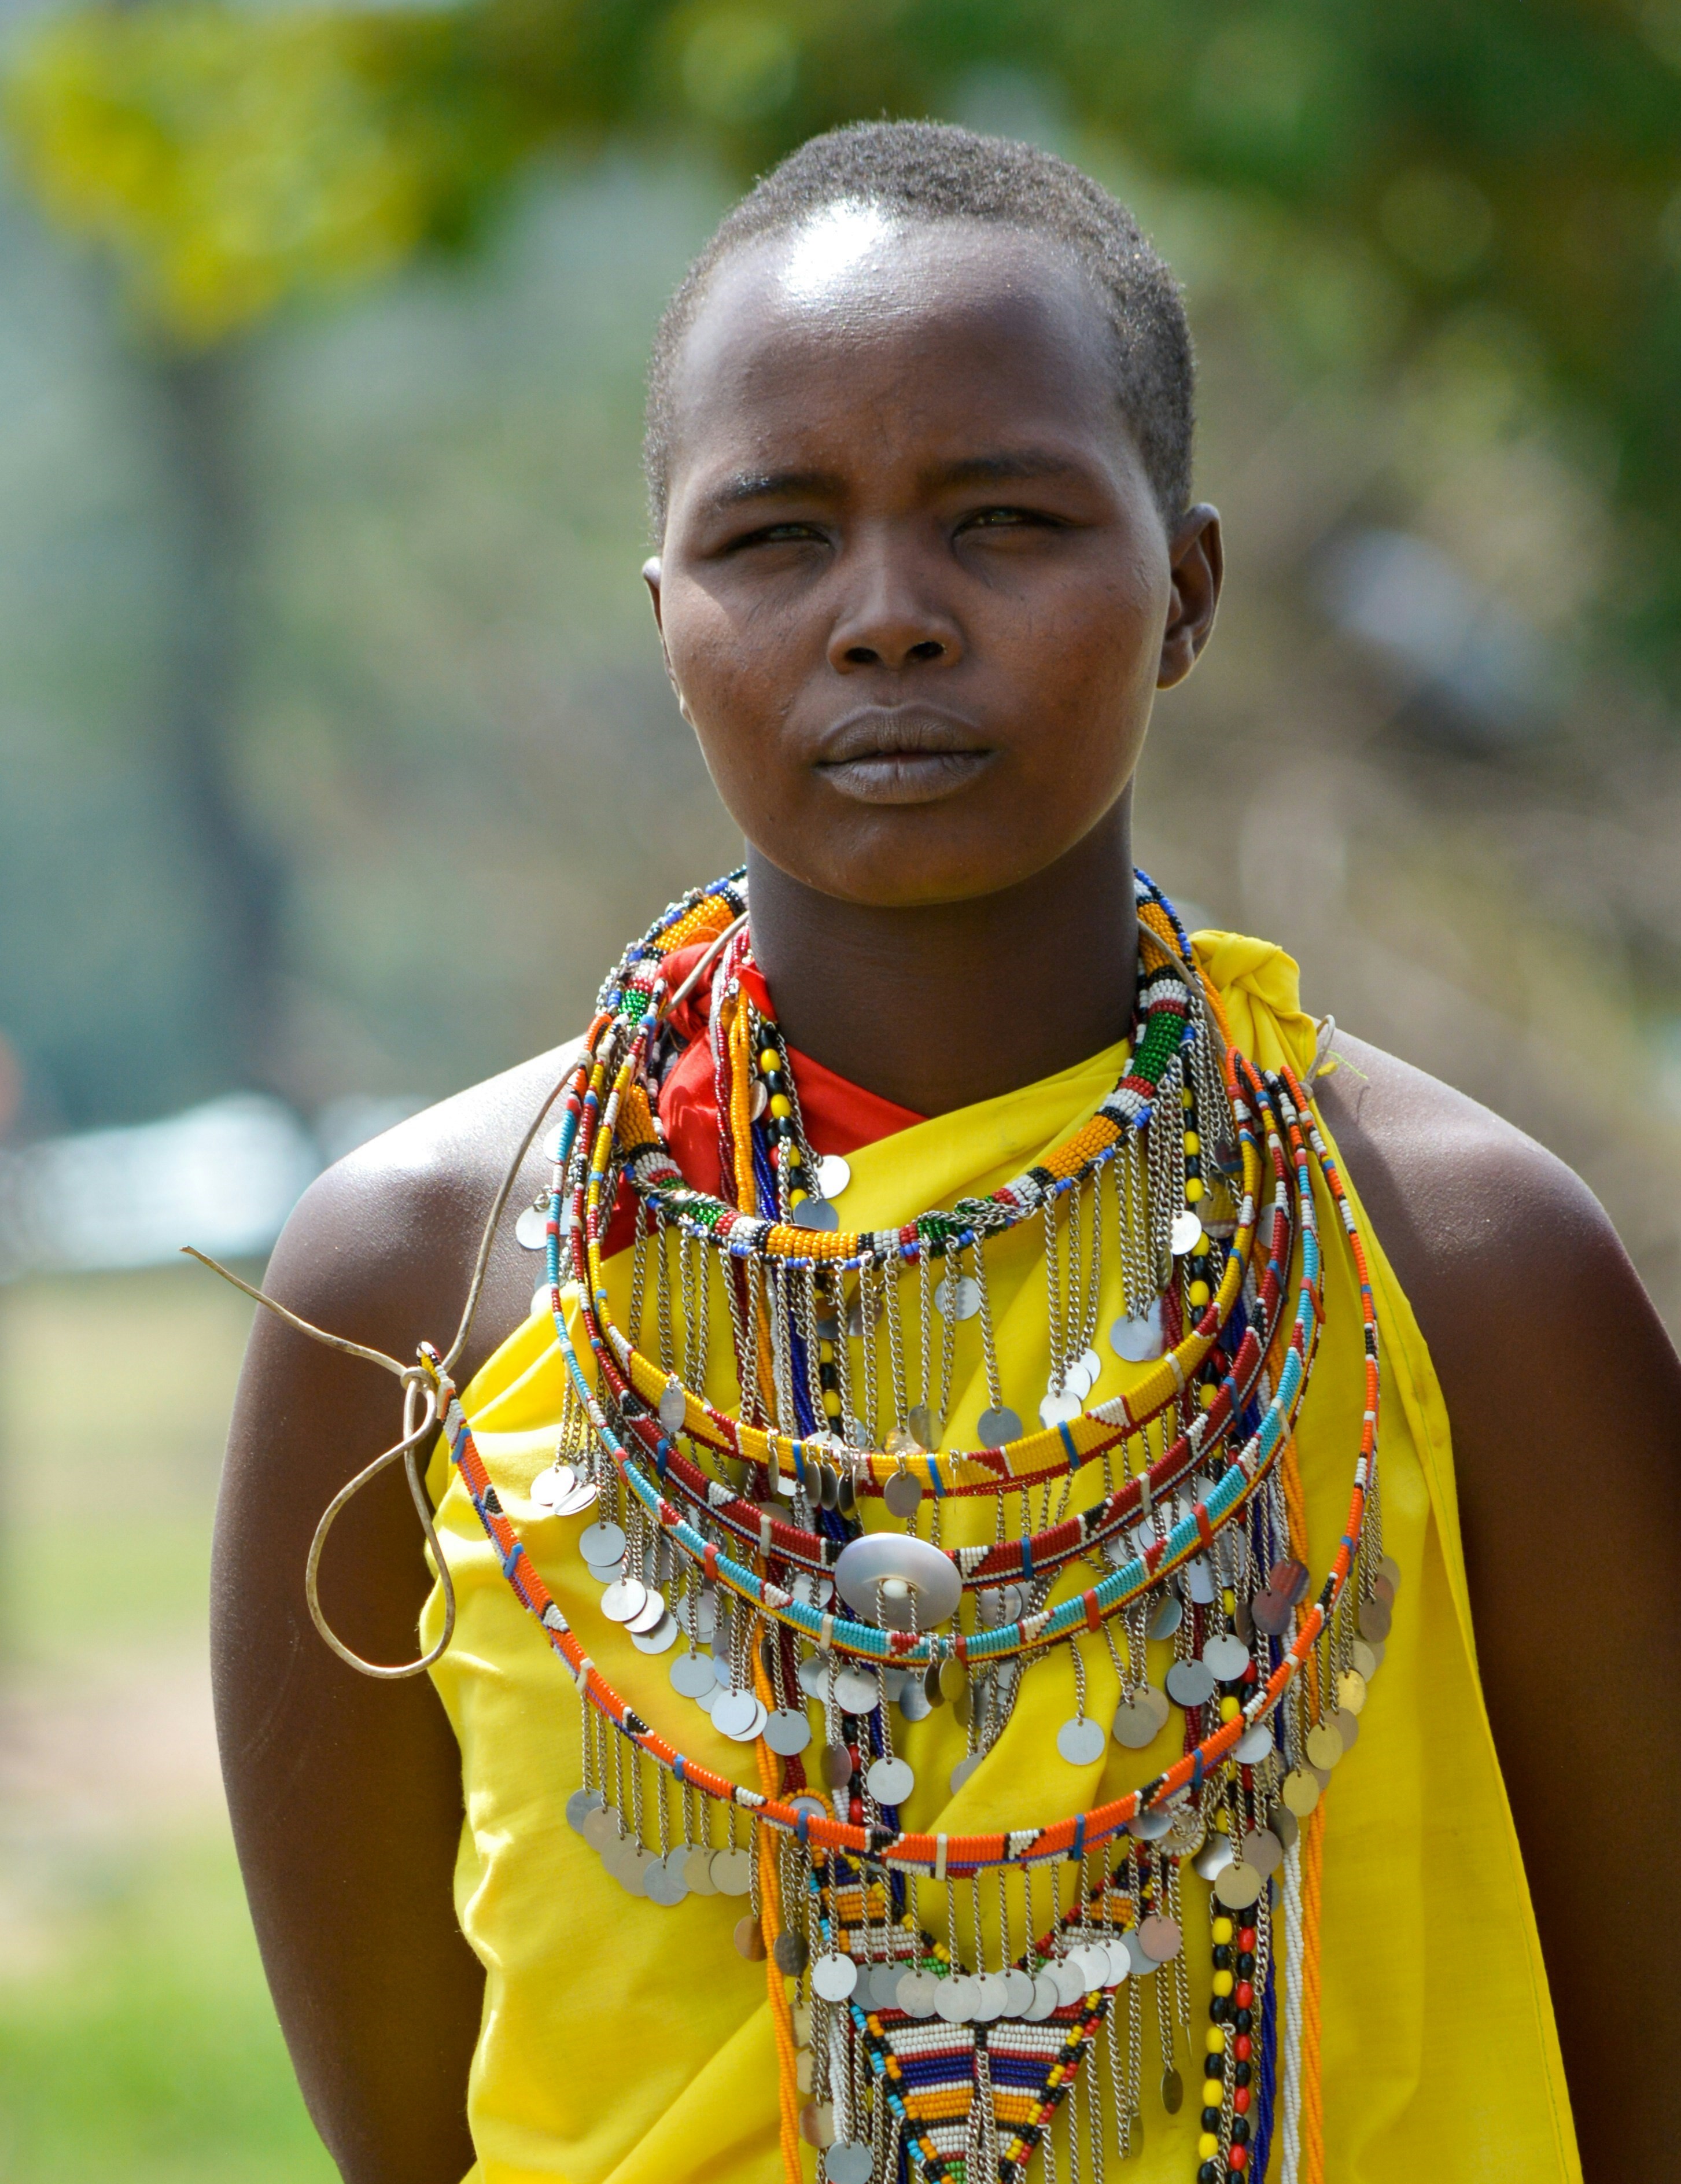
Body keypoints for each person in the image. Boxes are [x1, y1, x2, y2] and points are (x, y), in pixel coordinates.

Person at [211, 123, 1681, 2184]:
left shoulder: (1466, 1269)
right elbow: (408, 2137)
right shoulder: (421, 1287)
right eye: (775, 540)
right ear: (666, 616)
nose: (888, 618)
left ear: (1181, 591)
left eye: (1002, 521)